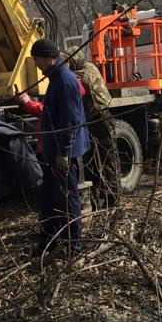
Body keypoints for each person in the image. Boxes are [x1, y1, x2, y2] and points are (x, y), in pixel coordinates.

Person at [27, 38, 89, 256]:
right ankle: (51, 241)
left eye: (36, 59)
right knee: (49, 198)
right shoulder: (55, 78)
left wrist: (64, 153)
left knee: (67, 198)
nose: (35, 64)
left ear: (47, 58)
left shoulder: (66, 81)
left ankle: (75, 248)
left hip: (63, 153)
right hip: (52, 151)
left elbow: (70, 121)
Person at [64, 49, 120, 207]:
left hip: (101, 117)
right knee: (90, 160)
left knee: (108, 158)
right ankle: (97, 197)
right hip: (89, 119)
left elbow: (85, 81)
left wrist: (63, 74)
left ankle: (113, 198)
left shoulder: (88, 68)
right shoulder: (78, 70)